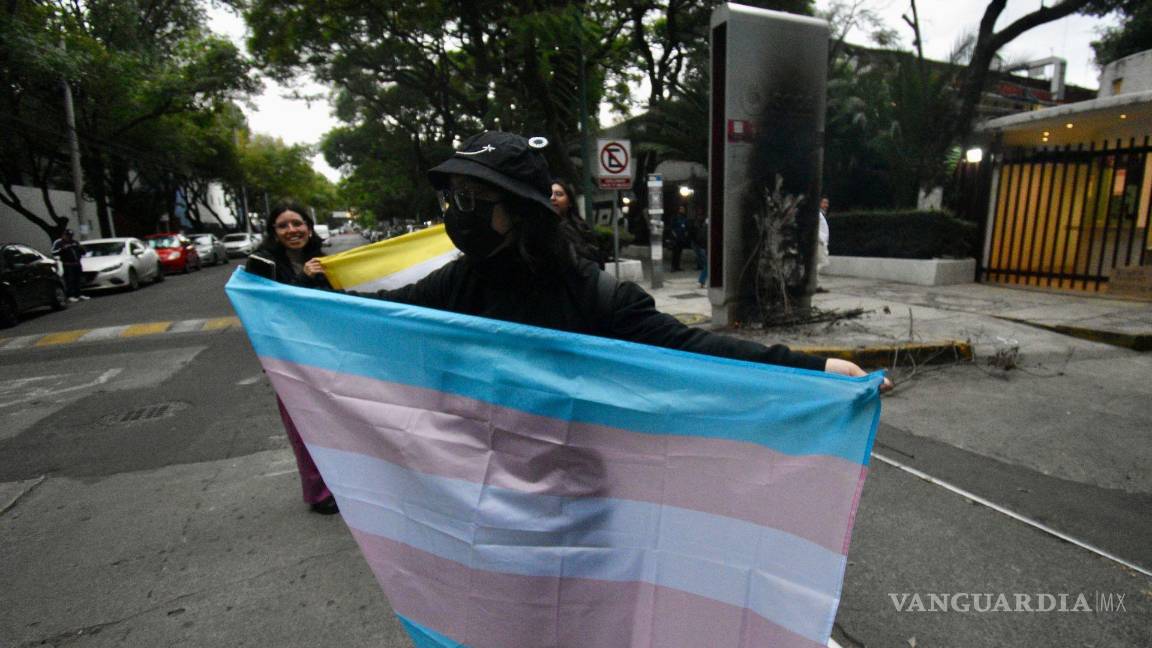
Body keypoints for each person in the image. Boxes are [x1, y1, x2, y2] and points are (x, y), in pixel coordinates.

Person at [305, 131, 890, 390]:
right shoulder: (461, 280)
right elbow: (379, 317)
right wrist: (291, 295)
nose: (458, 212)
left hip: (575, 497)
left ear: (520, 211)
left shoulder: (593, 294)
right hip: (486, 499)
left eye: (474, 199)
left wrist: (810, 369)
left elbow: (691, 347)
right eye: (453, 197)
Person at [247, 202, 339, 515]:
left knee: (332, 422)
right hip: (285, 357)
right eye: (283, 226)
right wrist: (305, 279)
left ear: (309, 228)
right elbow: (265, 308)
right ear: (273, 232)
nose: (292, 230)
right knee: (302, 424)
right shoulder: (261, 263)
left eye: (297, 223)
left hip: (323, 354)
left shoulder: (322, 260)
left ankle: (341, 483)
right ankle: (318, 492)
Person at [551, 178, 604, 267]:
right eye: (549, 194)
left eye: (558, 194)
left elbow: (596, 259)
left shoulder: (580, 228)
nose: (552, 198)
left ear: (570, 202)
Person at [51, 228, 88, 302]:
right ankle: (70, 295)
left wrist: (81, 248)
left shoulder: (75, 242)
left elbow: (83, 252)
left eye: (71, 235)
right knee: (69, 280)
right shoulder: (59, 243)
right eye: (67, 235)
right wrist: (62, 249)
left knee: (78, 280)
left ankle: (79, 294)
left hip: (77, 263)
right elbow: (53, 252)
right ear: (64, 235)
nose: (69, 237)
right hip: (68, 264)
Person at [668, 206, 690, 272]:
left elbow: (686, 227)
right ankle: (673, 267)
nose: (682, 210)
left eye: (683, 209)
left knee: (679, 253)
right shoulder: (675, 217)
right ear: (678, 210)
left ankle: (677, 266)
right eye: (681, 209)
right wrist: (674, 235)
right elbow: (671, 227)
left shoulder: (685, 218)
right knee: (675, 253)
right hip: (676, 238)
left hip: (682, 238)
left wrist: (686, 233)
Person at [816, 197, 830, 293]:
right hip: (819, 242)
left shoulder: (821, 215)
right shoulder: (817, 214)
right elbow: (815, 228)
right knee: (821, 263)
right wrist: (821, 240)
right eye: (824, 203)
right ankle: (814, 284)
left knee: (819, 263)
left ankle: (815, 284)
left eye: (827, 203)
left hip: (821, 242)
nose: (826, 205)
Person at [691, 212, 708, 289]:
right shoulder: (706, 229)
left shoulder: (703, 228)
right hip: (705, 249)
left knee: (706, 266)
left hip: (702, 248)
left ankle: (702, 282)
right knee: (707, 266)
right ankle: (701, 281)